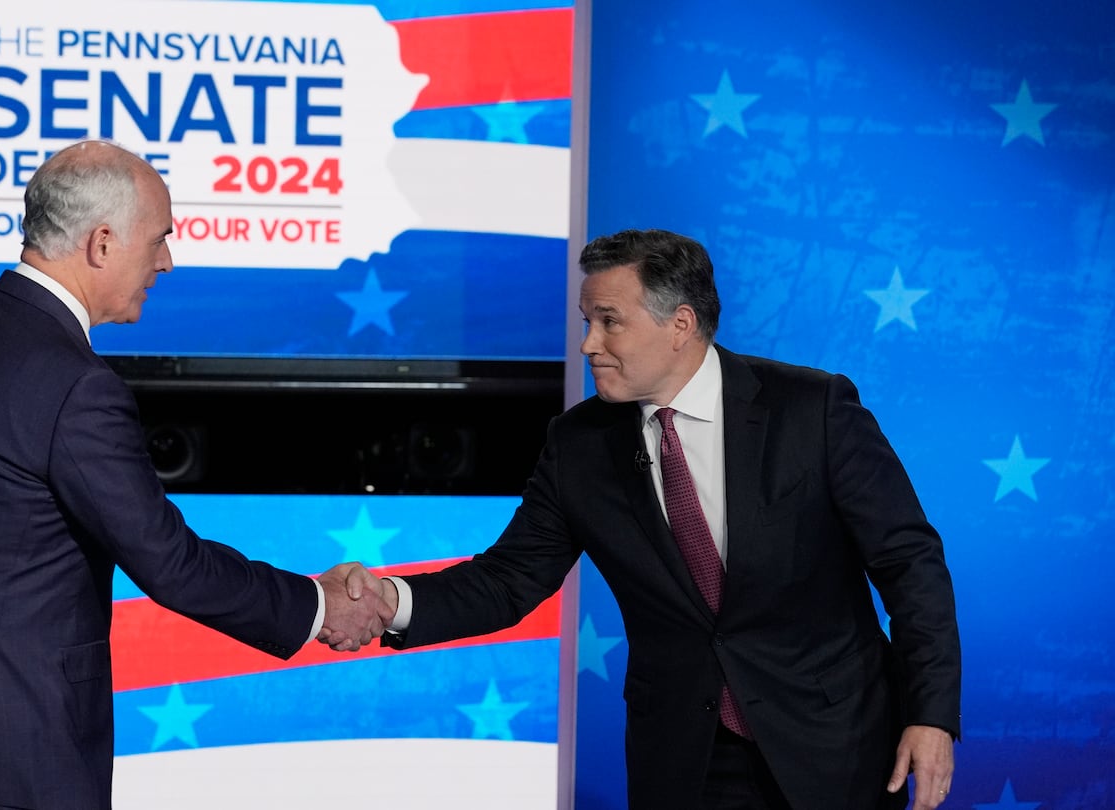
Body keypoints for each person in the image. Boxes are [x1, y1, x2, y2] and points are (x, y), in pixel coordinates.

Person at [0, 139, 391, 810]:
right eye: (159, 239)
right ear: (103, 243)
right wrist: (316, 604)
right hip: (9, 751)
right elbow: (171, 565)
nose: (165, 261)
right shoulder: (75, 385)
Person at [342, 228, 961, 810]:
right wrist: (386, 601)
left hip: (836, 742)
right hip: (686, 758)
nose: (589, 343)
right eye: (588, 322)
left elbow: (909, 564)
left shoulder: (812, 410)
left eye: (609, 322)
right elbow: (508, 581)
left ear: (680, 326)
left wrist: (929, 713)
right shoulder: (578, 444)